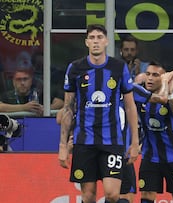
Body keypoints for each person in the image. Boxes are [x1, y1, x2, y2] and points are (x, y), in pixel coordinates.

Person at [58, 24, 140, 203]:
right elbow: (67, 108)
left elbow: (130, 106)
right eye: (92, 38)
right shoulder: (75, 68)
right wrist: (63, 146)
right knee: (88, 196)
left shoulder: (118, 67)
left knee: (112, 194)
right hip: (84, 141)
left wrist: (134, 142)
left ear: (106, 41)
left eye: (100, 38)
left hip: (112, 140)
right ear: (86, 42)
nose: (96, 41)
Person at [136, 61, 173, 203]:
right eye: (148, 74)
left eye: (155, 75)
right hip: (150, 156)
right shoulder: (141, 96)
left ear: (164, 78)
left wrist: (169, 91)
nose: (150, 78)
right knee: (146, 196)